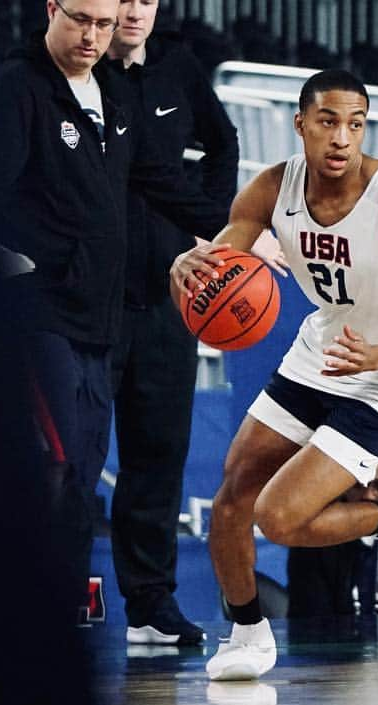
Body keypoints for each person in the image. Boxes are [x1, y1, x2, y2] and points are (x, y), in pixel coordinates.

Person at [169, 69, 378, 680]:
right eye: (328, 121)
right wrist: (189, 265)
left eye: (355, 124)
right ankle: (248, 637)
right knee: (231, 500)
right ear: (300, 123)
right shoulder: (271, 189)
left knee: (279, 517)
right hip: (319, 353)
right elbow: (224, 259)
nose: (342, 138)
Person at [0, 0, 229, 624]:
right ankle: (15, 607)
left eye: (104, 24)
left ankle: (58, 607)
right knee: (54, 468)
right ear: (51, 9)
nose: (92, 36)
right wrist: (16, 267)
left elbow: (162, 181)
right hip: (45, 318)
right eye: (81, 19)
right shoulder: (19, 87)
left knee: (81, 474)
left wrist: (240, 235)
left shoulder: (111, 97)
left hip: (100, 320)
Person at [100, 0, 238, 646]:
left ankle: (150, 602)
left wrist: (210, 218)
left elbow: (224, 140)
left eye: (146, 0)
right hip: (90, 300)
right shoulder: (78, 71)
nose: (133, 12)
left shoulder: (179, 65)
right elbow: (142, 173)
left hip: (169, 298)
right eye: (122, 0)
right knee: (72, 462)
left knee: (159, 454)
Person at [286, 460, 378, 618]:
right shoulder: (313, 542)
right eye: (358, 485)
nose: (368, 495)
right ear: (343, 490)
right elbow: (310, 618)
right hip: (330, 640)